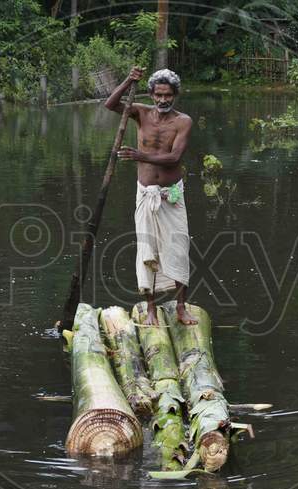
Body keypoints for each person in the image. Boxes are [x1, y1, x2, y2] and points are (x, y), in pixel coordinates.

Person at [104, 66, 197, 326]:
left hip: (171, 195)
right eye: (158, 95)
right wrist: (127, 80)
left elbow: (174, 158)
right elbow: (110, 104)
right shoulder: (141, 112)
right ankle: (151, 310)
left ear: (175, 95)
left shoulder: (183, 121)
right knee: (147, 249)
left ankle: (181, 306)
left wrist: (140, 155)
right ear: (152, 94)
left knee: (178, 247)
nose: (163, 100)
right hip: (145, 194)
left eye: (168, 95)